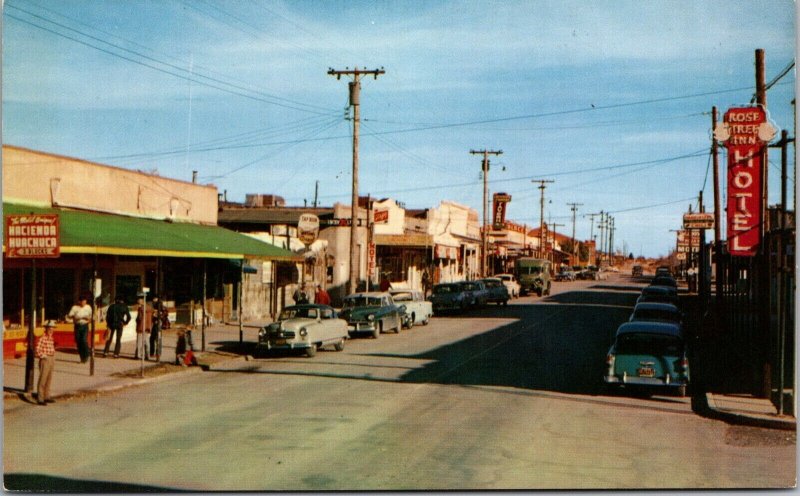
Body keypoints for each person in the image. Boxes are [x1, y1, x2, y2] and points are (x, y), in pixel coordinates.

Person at [36, 320, 57, 405]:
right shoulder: (43, 337)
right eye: (50, 328)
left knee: (49, 378)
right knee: (43, 378)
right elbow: (37, 349)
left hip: (51, 358)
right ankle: (40, 398)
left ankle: (46, 396)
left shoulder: (51, 338)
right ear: (46, 328)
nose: (51, 330)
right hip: (45, 359)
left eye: (52, 328)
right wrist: (42, 355)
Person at [67, 294, 93, 363]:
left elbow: (92, 316)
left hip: (85, 325)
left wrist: (89, 319)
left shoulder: (88, 307)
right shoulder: (75, 308)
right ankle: (82, 357)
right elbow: (69, 316)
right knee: (78, 342)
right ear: (79, 301)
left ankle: (87, 354)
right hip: (77, 325)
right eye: (82, 301)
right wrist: (77, 317)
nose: (84, 303)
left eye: (85, 301)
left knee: (84, 340)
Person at [149, 295, 165, 361]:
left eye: (154, 299)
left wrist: (154, 314)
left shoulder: (157, 307)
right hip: (158, 324)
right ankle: (158, 353)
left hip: (157, 324)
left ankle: (154, 353)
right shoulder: (161, 306)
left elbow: (156, 316)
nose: (153, 300)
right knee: (157, 338)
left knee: (154, 338)